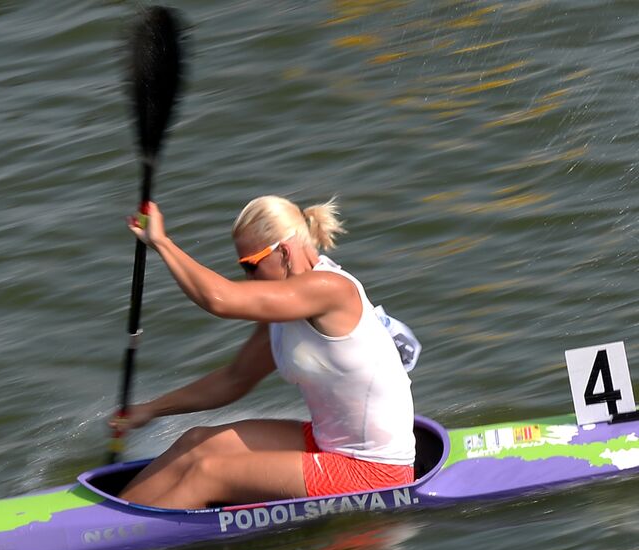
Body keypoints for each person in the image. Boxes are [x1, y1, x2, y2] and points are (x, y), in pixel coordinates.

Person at [110, 195, 416, 509]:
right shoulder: (286, 311)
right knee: (197, 443)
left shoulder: (330, 289)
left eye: (250, 266)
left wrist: (162, 242)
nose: (247, 279)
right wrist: (150, 409)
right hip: (326, 443)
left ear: (284, 251)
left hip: (376, 472)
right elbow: (234, 379)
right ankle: (112, 514)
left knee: (208, 473)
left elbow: (220, 299)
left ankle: (114, 540)